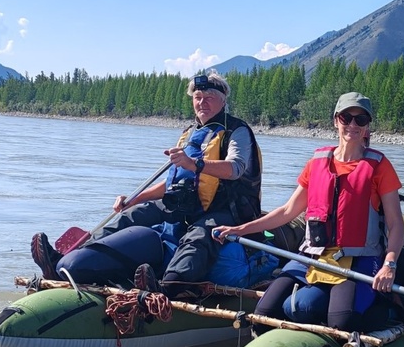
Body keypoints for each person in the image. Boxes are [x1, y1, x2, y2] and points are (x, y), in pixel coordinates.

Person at [31, 70, 262, 291]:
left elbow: (236, 168)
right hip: (187, 204)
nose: (202, 103)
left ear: (223, 102)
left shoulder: (237, 131)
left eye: (209, 98)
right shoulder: (191, 132)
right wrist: (134, 199)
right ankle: (70, 257)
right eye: (198, 97)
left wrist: (195, 164)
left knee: (200, 235)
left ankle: (171, 285)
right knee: (132, 215)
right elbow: (173, 183)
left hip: (227, 208)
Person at [213, 92, 404, 331]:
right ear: (336, 120)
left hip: (358, 260)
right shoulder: (317, 162)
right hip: (312, 256)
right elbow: (287, 211)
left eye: (361, 120)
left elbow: (396, 224)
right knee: (263, 314)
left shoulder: (380, 166)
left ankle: (383, 308)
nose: (353, 125)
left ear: (368, 126)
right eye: (346, 118)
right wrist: (240, 229)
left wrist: (390, 264)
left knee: (342, 322)